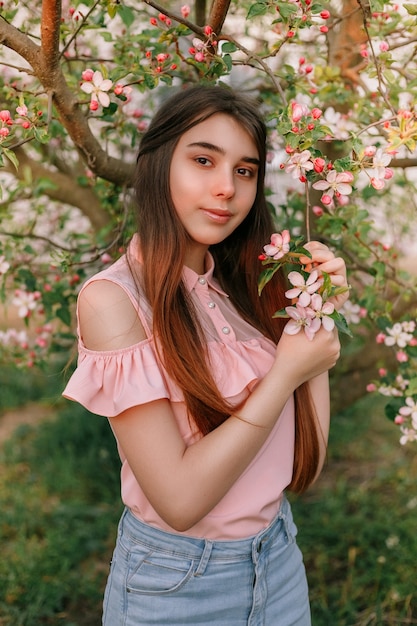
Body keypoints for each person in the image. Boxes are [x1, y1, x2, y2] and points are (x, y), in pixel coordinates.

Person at [63, 84, 348, 625]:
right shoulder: (114, 302)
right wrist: (286, 373)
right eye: (203, 160)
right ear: (157, 165)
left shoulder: (248, 288)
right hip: (177, 585)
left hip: (279, 560)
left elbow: (303, 467)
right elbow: (180, 500)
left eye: (245, 170)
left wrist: (314, 314)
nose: (226, 189)